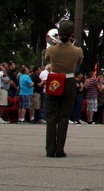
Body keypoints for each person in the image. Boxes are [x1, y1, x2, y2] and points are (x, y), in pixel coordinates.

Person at [44, 21, 84, 157]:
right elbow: (79, 62)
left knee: (51, 116)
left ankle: (50, 148)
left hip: (54, 80)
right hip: (69, 81)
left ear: (59, 34)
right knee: (64, 116)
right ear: (71, 34)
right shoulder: (77, 50)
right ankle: (60, 149)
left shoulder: (52, 49)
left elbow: (47, 58)